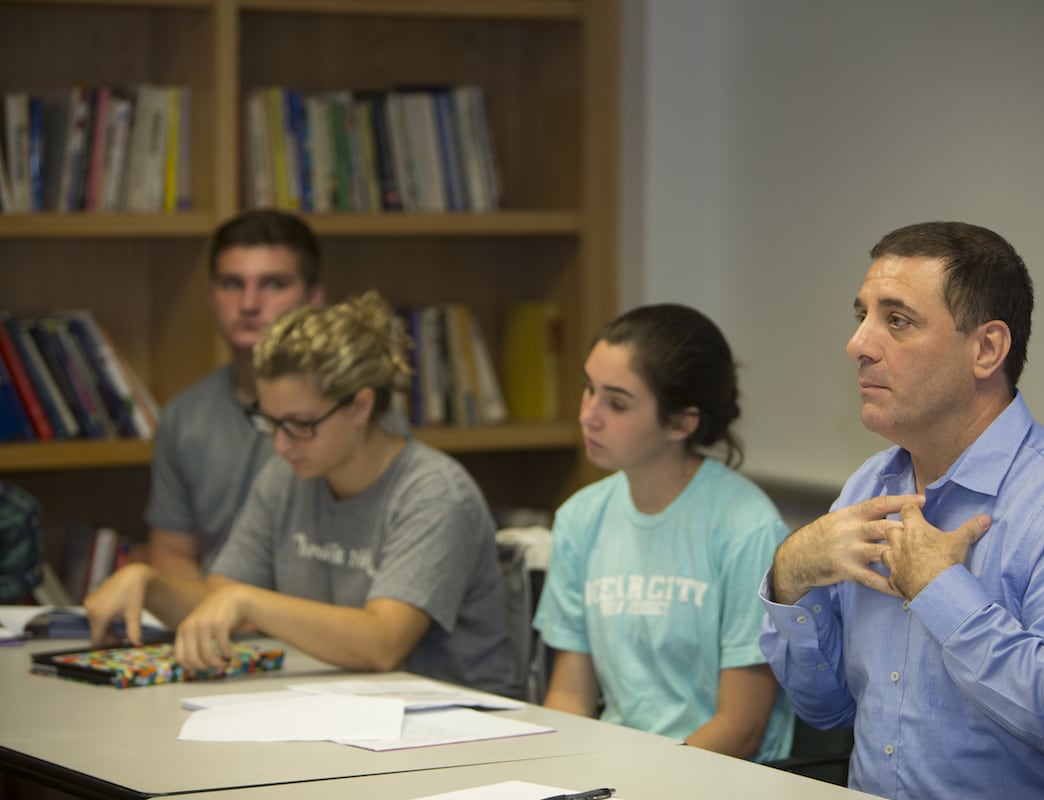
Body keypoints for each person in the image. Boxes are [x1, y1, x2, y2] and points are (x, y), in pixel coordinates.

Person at [759, 221, 1044, 798]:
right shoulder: (868, 489)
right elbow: (827, 711)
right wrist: (791, 576)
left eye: (896, 321)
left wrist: (941, 590)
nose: (858, 345)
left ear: (987, 350)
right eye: (862, 317)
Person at [85, 291, 516, 695]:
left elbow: (382, 643)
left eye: (301, 424)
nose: (281, 444)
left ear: (361, 407)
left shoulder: (434, 493)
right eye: (271, 421)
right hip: (337, 712)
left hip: (454, 733)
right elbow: (220, 604)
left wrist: (247, 602)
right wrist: (148, 583)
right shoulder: (289, 475)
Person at [533, 303, 794, 761]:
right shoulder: (580, 517)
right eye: (588, 390)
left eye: (616, 403)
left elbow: (740, 728)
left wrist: (643, 782)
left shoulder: (746, 528)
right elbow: (569, 699)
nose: (588, 416)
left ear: (681, 422)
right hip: (613, 772)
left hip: (713, 780)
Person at [145, 209, 324, 580]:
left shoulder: (351, 410)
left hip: (317, 623)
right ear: (210, 296)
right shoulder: (184, 416)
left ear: (314, 298)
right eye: (232, 283)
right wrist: (218, 624)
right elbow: (171, 555)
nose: (249, 304)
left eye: (274, 283)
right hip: (219, 622)